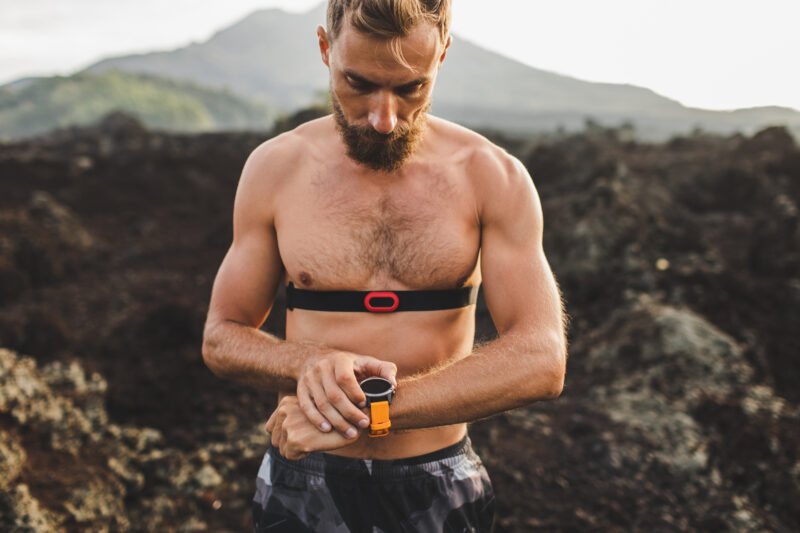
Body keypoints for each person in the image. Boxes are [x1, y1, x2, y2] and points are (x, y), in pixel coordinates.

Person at [201, 0, 567, 531]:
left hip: (437, 481)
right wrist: (307, 363)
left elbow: (541, 358)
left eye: (410, 88)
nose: (384, 118)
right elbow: (221, 336)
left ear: (442, 55)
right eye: (359, 83)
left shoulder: (492, 177)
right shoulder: (275, 169)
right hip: (306, 479)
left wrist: (370, 413)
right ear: (326, 50)